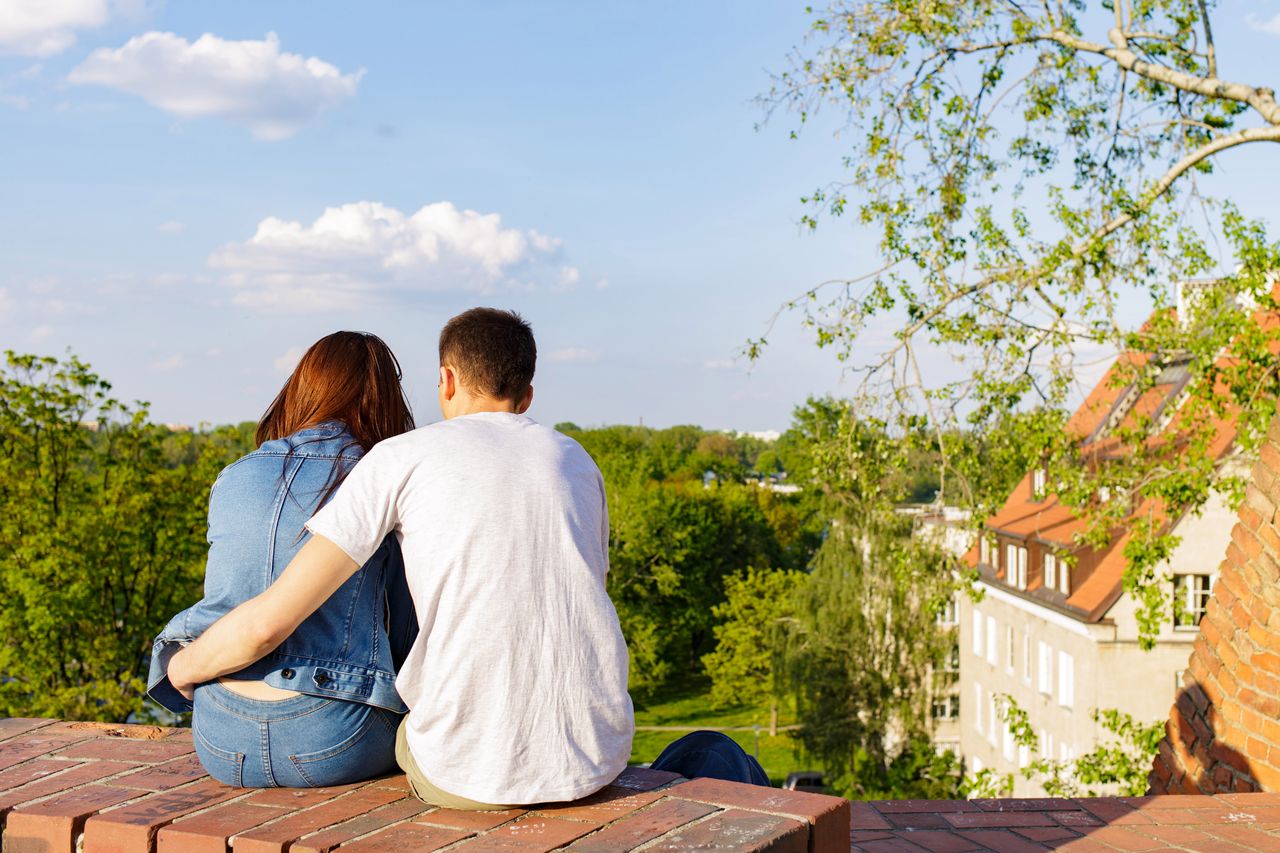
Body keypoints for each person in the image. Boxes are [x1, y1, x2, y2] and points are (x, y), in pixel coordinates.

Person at [147, 331, 418, 788]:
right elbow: (408, 633)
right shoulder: (377, 479)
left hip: (218, 738)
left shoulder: (237, 473)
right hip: (336, 741)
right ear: (384, 400)